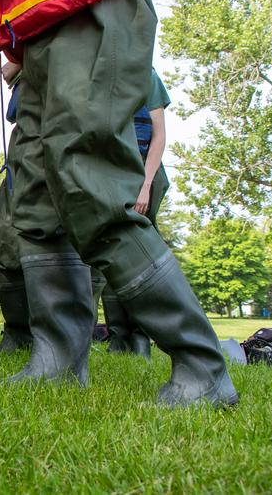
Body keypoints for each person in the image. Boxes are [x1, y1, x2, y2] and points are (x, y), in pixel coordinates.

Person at [0, 0, 238, 407]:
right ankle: (58, 359)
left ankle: (202, 365)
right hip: (43, 46)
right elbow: (4, 8)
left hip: (92, 21)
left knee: (91, 180)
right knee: (35, 197)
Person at [94, 67, 171, 358]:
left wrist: (145, 185)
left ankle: (141, 340)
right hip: (113, 171)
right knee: (112, 254)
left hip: (144, 171)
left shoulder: (147, 75)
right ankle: (118, 337)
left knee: (141, 255)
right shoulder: (102, 74)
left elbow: (159, 135)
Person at [0, 61, 32, 353]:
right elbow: (7, 70)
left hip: (66, 126)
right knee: (3, 229)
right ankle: (18, 332)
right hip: (26, 135)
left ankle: (61, 338)